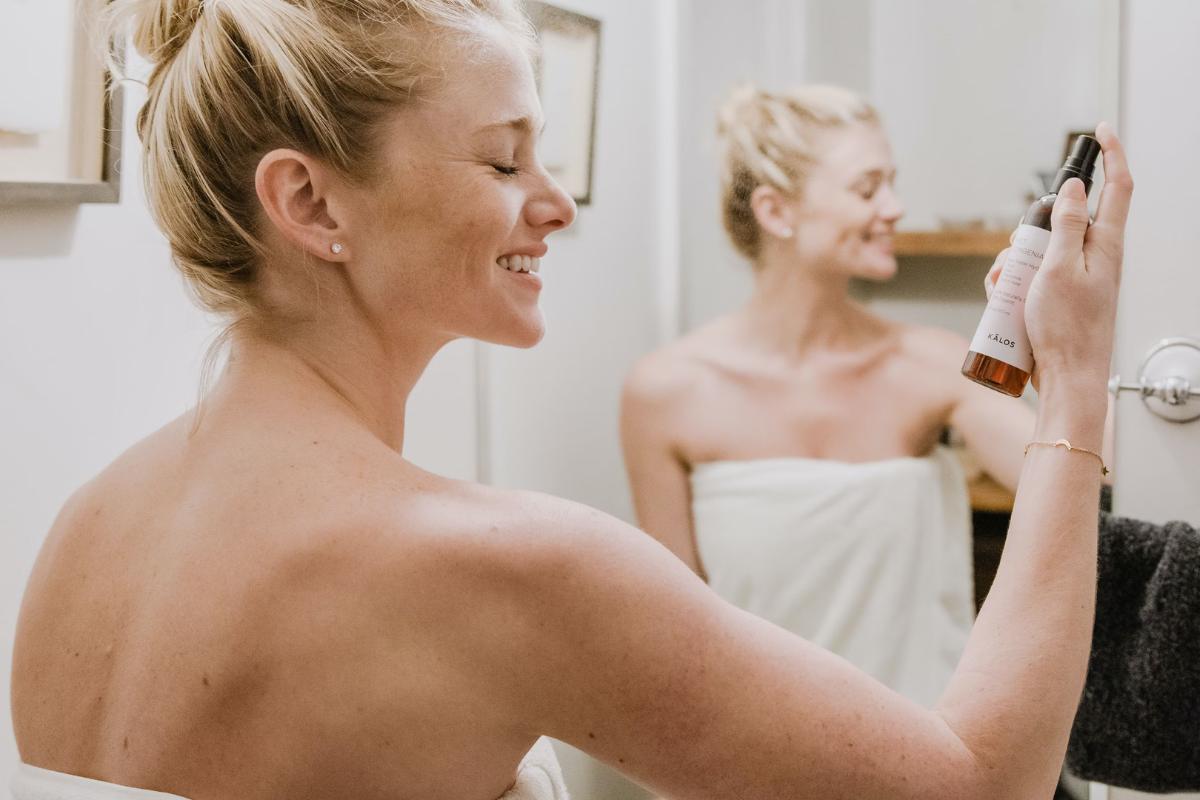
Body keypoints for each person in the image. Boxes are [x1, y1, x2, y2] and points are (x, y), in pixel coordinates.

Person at [11, 2, 1133, 798]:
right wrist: (1075, 385)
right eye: (504, 162)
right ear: (309, 201)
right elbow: (983, 787)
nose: (555, 204)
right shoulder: (505, 564)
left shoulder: (87, 528)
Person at [621, 84, 1048, 705]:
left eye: (892, 184)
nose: (896, 208)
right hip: (756, 756)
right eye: (868, 188)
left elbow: (1075, 482)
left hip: (931, 752)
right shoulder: (665, 395)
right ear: (775, 211)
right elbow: (673, 635)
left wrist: (1060, 344)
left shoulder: (932, 364)